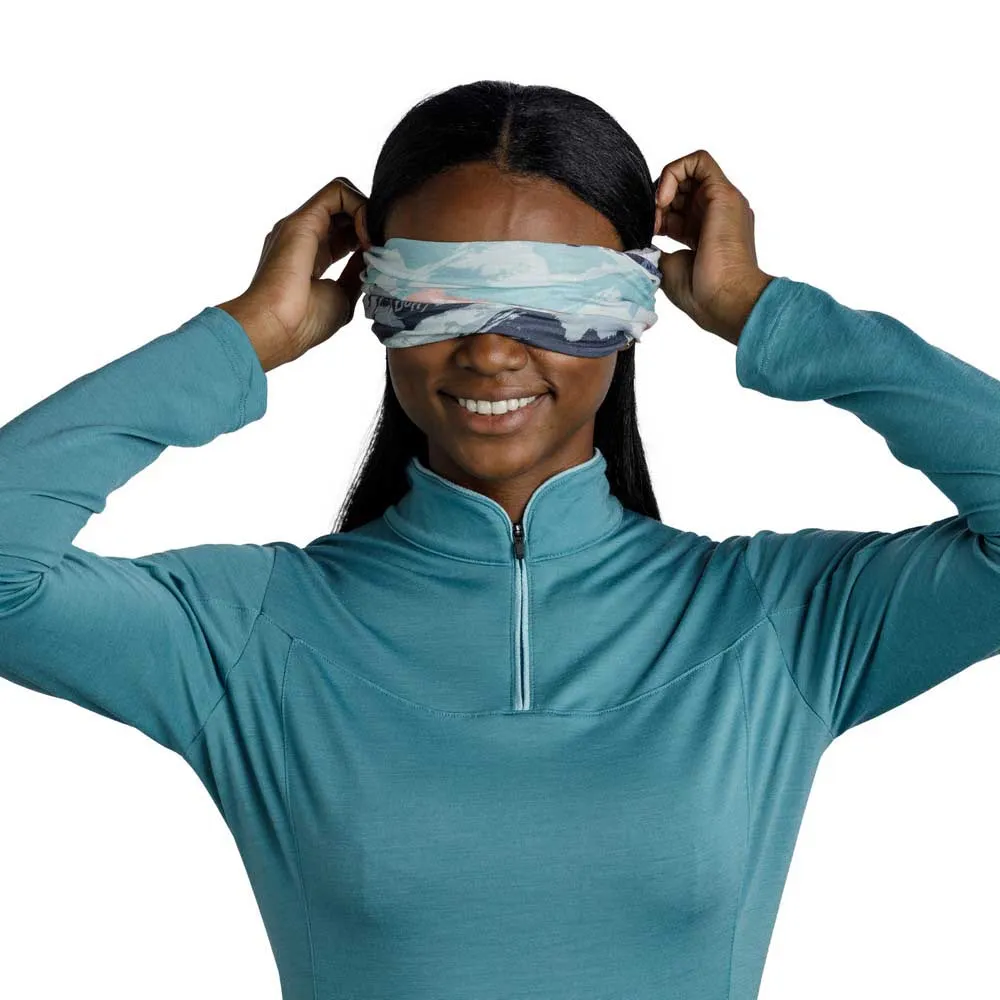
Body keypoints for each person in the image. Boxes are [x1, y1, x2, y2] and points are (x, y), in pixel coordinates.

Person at [2, 80, 999, 1000]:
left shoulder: (778, 620)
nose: (488, 348)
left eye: (556, 299)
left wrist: (768, 313)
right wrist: (245, 335)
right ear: (376, 300)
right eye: (439, 294)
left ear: (631, 309)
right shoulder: (250, 631)